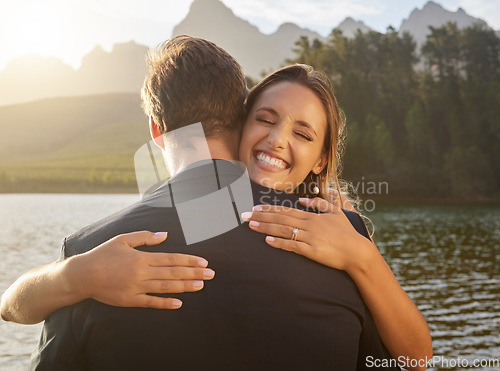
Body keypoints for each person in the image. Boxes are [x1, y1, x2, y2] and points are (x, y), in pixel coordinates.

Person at [1, 36, 430, 369]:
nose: (278, 139)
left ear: (156, 129)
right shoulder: (342, 236)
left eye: (302, 133)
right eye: (267, 119)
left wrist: (71, 274)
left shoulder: (94, 252)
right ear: (241, 117)